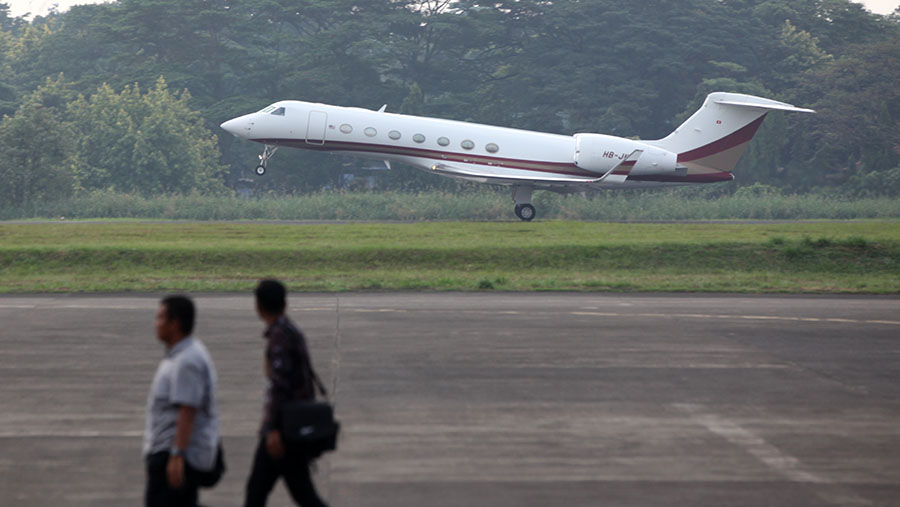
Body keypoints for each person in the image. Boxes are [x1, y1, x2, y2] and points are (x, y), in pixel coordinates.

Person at [245, 279, 328, 507]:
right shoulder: (291, 330)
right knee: (280, 492)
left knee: (259, 492)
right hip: (292, 425)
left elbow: (279, 386)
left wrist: (272, 429)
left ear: (258, 306)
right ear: (285, 303)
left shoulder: (279, 336)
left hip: (283, 430)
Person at [143, 295, 220, 507]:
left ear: (174, 323)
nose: (155, 324)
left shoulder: (187, 360)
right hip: (169, 452)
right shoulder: (181, 354)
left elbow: (188, 410)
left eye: (159, 318)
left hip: (174, 455)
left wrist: (177, 456)